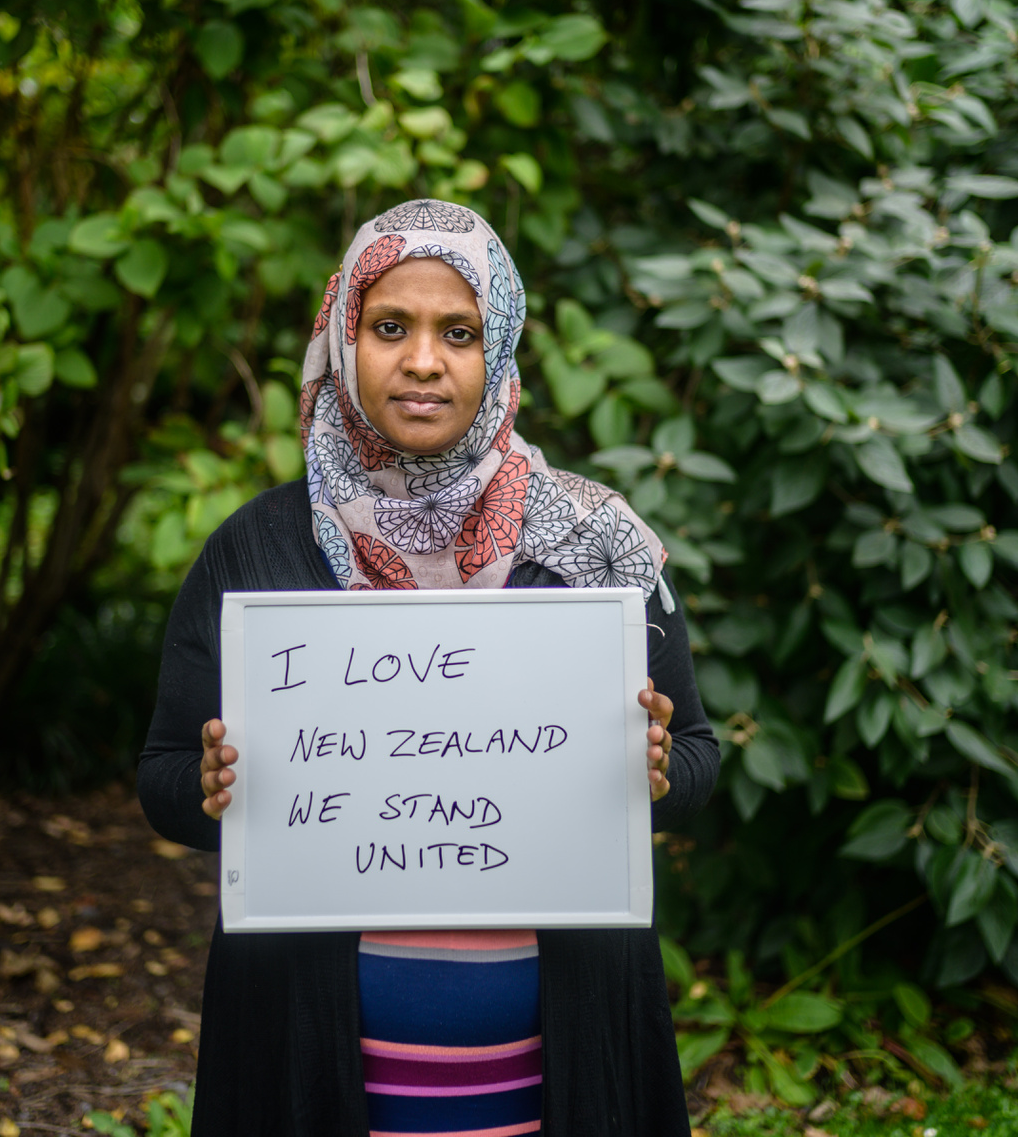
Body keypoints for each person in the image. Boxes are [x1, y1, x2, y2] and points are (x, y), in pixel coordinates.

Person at [138, 200, 718, 1136]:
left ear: (501, 352)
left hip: (559, 1060)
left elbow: (694, 755)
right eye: (389, 327)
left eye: (459, 333)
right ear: (342, 334)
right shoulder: (255, 553)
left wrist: (654, 769)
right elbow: (162, 777)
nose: (421, 361)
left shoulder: (596, 543)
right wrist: (207, 787)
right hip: (309, 1056)